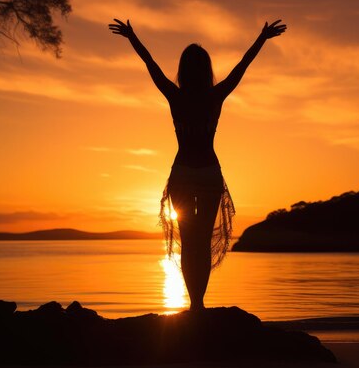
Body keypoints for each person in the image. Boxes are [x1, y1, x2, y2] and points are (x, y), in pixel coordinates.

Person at [109, 18, 287, 310]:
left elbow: (150, 64)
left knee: (188, 241)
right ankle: (198, 305)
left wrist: (132, 37)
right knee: (200, 241)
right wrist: (262, 38)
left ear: (183, 69)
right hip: (207, 174)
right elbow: (242, 65)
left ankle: (194, 305)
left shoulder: (175, 96)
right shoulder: (215, 95)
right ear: (206, 71)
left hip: (183, 174)